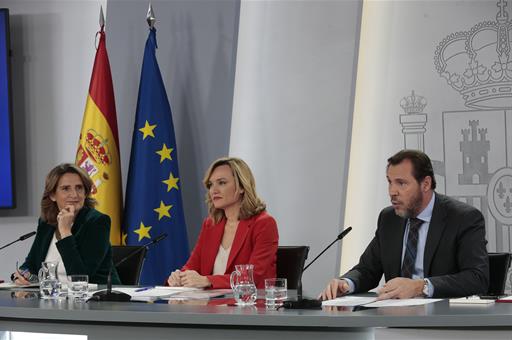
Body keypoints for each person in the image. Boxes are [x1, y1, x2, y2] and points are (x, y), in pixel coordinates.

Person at [320, 149, 489, 300]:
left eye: (401, 183)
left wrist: (420, 286)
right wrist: (347, 283)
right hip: (394, 320)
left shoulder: (463, 218)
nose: (392, 191)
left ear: (426, 184)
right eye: (389, 182)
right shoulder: (389, 218)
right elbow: (367, 270)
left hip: (443, 322)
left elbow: (477, 278)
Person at [167, 157, 278, 289]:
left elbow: (255, 276)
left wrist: (208, 280)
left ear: (242, 186)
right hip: (209, 305)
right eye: (210, 184)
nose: (214, 190)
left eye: (222, 183)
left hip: (247, 305)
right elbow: (192, 266)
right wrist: (179, 276)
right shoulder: (210, 224)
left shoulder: (264, 224)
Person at [12, 163, 120, 285]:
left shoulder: (97, 222)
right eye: (66, 188)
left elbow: (80, 278)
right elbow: (30, 265)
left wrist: (65, 231)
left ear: (85, 192)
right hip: (53, 298)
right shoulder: (46, 222)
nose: (74, 195)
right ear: (52, 195)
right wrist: (19, 277)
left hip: (96, 299)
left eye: (79, 188)